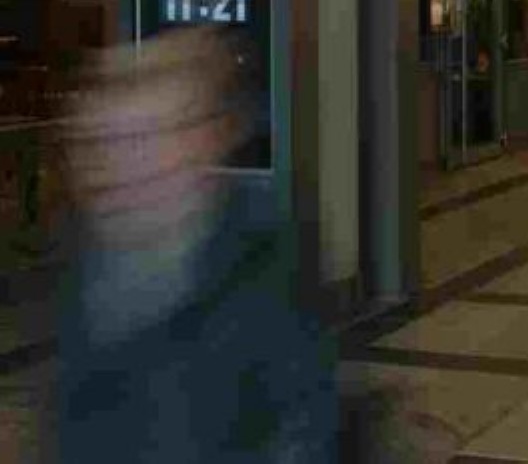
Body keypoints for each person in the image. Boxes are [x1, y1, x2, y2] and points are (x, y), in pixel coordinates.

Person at [56, 28, 338, 464]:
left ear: (205, 141)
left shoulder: (266, 262)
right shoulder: (88, 266)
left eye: (147, 138)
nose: (122, 162)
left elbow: (302, 425)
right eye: (104, 140)